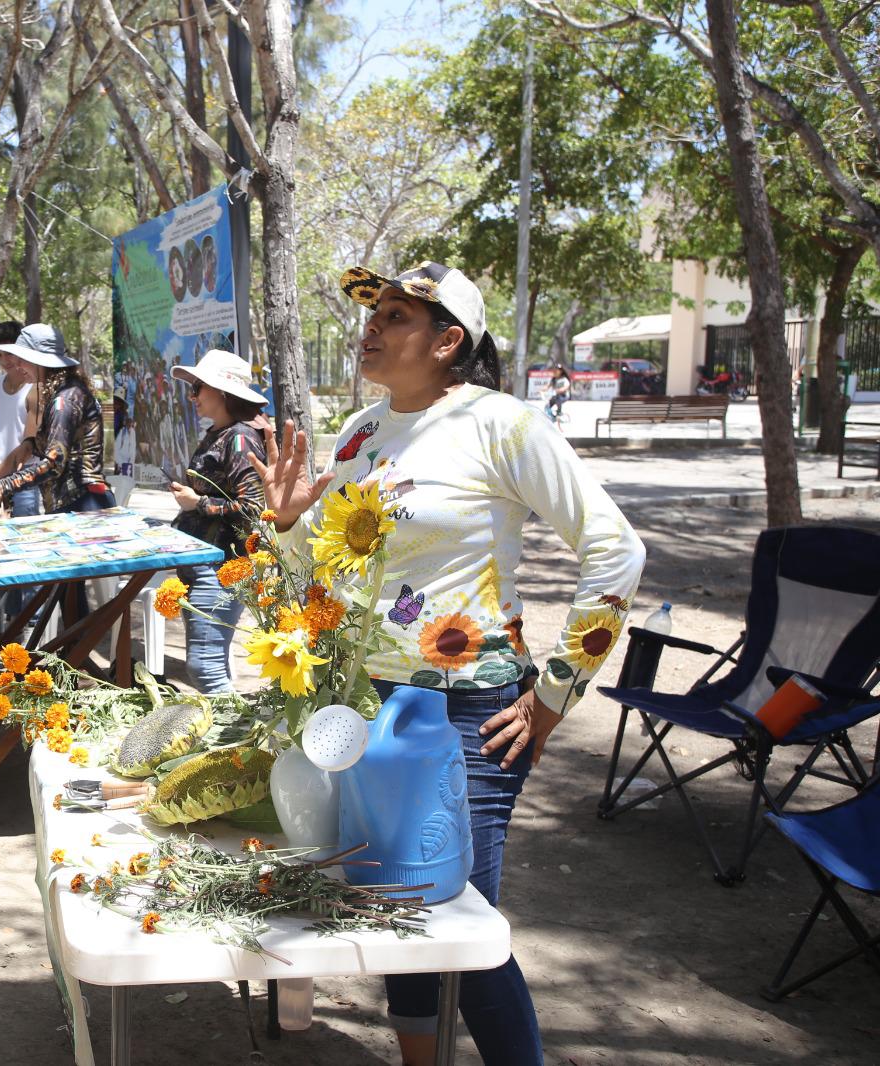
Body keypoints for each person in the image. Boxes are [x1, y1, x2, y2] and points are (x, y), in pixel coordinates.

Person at [255, 261, 645, 1066]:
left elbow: (616, 552)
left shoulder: (505, 424)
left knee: (460, 925)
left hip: (468, 712)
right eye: (372, 310)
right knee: (398, 908)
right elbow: (320, 577)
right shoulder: (361, 432)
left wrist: (554, 695)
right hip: (366, 705)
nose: (371, 325)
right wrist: (289, 525)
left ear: (447, 342)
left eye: (395, 315)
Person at [166, 350, 266, 693]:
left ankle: (236, 736)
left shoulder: (239, 437)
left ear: (221, 391)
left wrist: (199, 503)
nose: (192, 395)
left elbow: (253, 507)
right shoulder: (221, 433)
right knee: (210, 662)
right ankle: (231, 739)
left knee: (205, 668)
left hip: (223, 566)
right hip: (208, 564)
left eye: (197, 387)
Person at [0, 322, 114, 514]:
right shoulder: (65, 392)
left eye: (23, 358)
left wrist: (4, 485)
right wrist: (31, 444)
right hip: (74, 503)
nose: (18, 365)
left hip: (82, 504)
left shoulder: (65, 399)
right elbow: (65, 443)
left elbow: (54, 463)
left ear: (39, 360)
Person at [0, 320, 38, 514]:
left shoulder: (35, 389)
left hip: (24, 476)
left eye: (9, 353)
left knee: (24, 537)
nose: (4, 360)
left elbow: (28, 445)